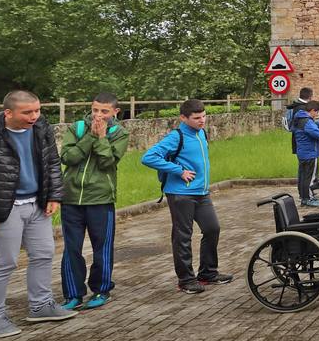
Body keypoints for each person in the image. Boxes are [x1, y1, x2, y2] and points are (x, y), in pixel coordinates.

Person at [0, 90, 75, 337]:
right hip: (6, 208)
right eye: (27, 112)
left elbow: (52, 163)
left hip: (38, 204)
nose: (34, 116)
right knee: (5, 263)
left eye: (37, 110)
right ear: (8, 113)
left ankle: (41, 306)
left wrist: (55, 195)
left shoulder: (41, 129)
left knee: (44, 253)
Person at [142, 99, 232, 294]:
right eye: (197, 118)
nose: (202, 121)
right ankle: (186, 280)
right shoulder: (176, 136)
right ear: (183, 118)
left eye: (204, 116)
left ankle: (208, 273)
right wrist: (178, 170)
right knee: (183, 236)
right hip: (181, 194)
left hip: (202, 193)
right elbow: (148, 157)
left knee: (212, 229)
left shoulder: (201, 133)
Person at [58, 92, 130, 310]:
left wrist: (100, 138)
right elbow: (68, 158)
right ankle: (73, 294)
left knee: (103, 247)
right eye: (95, 109)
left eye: (104, 111)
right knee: (71, 248)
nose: (99, 115)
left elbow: (107, 161)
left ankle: (101, 289)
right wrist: (90, 136)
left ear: (115, 112)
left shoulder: (120, 133)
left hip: (100, 199)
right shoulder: (78, 128)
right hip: (71, 198)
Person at [292, 99, 319, 207]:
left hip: (303, 153)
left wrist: (318, 123)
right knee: (310, 178)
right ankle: (308, 198)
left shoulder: (300, 118)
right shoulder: (307, 121)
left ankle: (304, 197)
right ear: (313, 110)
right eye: (317, 112)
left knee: (303, 177)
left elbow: (309, 127)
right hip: (310, 153)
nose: (317, 115)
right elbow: (317, 134)